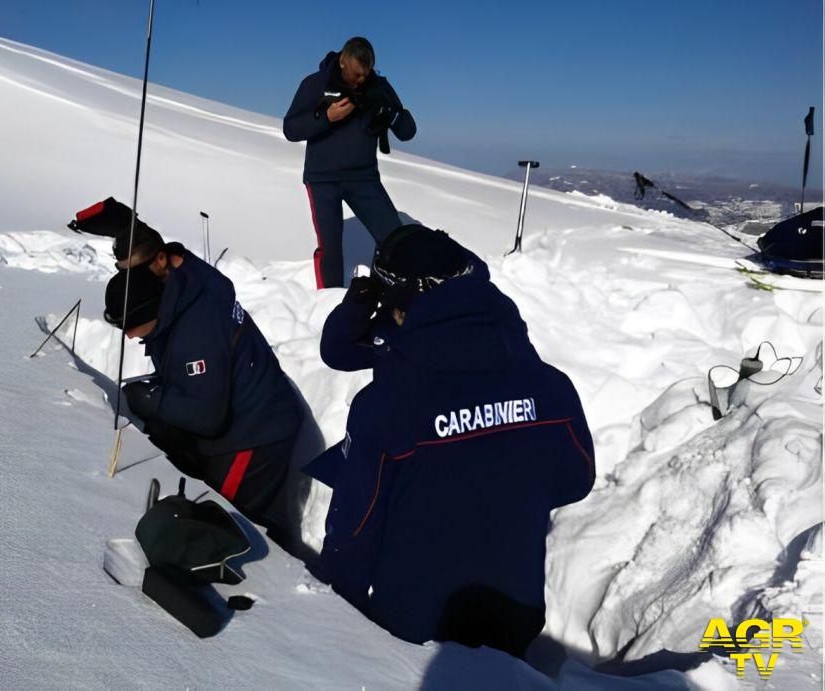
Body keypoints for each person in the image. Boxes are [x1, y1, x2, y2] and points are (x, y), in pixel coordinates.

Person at [305, 225, 595, 658]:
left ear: (403, 305)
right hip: (516, 608)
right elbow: (576, 479)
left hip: (415, 622)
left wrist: (331, 623)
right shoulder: (550, 386)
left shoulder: (387, 405)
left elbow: (356, 531)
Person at [102, 223, 303, 529]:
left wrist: (152, 400)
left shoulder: (195, 332)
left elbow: (208, 417)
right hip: (235, 409)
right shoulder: (184, 283)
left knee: (234, 521)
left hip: (255, 435)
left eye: (129, 326)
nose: (128, 336)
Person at [283, 36, 416, 289]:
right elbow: (290, 129)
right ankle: (328, 302)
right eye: (356, 75)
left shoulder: (378, 87)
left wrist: (389, 113)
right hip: (323, 179)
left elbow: (408, 131)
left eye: (366, 75)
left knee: (393, 239)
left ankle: (392, 294)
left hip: (364, 178)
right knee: (330, 249)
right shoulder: (315, 84)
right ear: (343, 62)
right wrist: (326, 117)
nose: (361, 81)